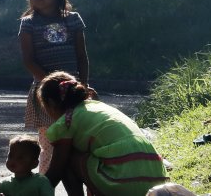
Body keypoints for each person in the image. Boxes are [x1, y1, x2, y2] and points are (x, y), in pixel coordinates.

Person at [37, 71, 168, 196]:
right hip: (156, 180)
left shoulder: (66, 123)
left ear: (51, 103)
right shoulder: (99, 107)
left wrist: (30, 188)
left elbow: (55, 173)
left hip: (123, 182)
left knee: (66, 158)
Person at [17, 0, 88, 173]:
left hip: (73, 92)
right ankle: (45, 184)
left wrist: (83, 84)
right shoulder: (28, 24)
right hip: (46, 96)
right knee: (50, 143)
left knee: (78, 142)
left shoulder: (73, 19)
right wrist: (51, 85)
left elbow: (82, 56)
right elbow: (28, 60)